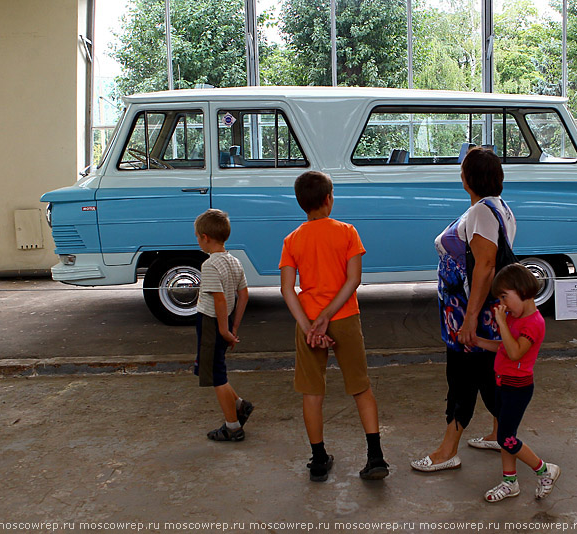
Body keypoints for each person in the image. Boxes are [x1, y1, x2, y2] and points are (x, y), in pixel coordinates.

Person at [279, 170, 390, 482]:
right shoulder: (347, 232)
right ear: (328, 199)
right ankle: (376, 456)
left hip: (308, 323)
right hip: (344, 318)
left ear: (302, 203)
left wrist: (309, 327)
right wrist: (328, 315)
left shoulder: (293, 239)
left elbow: (287, 289)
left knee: (312, 392)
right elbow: (353, 279)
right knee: (360, 387)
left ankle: (318, 459)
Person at [411, 147, 514, 472]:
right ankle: (501, 432)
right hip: (475, 312)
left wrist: (469, 320)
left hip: (470, 315)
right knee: (485, 374)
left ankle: (447, 450)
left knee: (461, 377)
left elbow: (484, 265)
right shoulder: (499, 207)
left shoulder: (483, 211)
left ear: (468, 178)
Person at [475, 263, 560, 502]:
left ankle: (545, 470)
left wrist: (501, 323)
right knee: (506, 434)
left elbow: (515, 353)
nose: (502, 304)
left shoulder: (533, 323)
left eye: (504, 296)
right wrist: (477, 341)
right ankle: (509, 482)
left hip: (518, 388)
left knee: (507, 439)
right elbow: (503, 348)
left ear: (522, 290)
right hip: (503, 383)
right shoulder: (514, 317)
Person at [193, 208, 252, 442]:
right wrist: (233, 327)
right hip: (224, 320)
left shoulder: (209, 265)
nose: (197, 241)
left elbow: (218, 299)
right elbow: (244, 294)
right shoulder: (234, 261)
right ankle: (240, 405)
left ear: (205, 237)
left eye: (197, 237)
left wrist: (223, 331)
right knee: (214, 368)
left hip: (211, 322)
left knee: (217, 375)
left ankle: (233, 427)